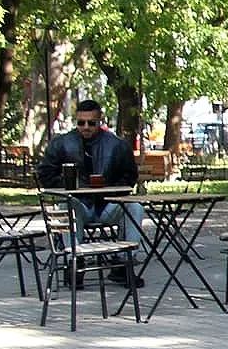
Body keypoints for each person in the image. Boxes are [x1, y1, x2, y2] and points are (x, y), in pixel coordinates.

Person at [36, 99, 147, 265]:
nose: (86, 127)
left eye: (91, 123)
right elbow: (45, 174)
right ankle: (73, 262)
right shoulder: (61, 144)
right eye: (81, 123)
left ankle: (126, 262)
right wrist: (69, 185)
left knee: (134, 207)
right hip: (79, 204)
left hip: (107, 205)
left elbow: (130, 175)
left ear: (99, 121)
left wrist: (110, 189)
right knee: (66, 205)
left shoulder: (117, 145)